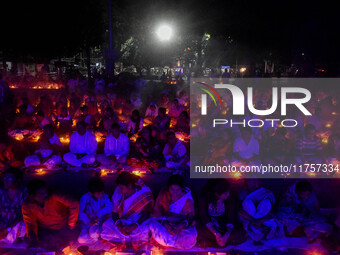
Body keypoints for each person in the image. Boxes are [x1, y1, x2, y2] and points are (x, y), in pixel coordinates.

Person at [21, 179, 80, 250]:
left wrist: (71, 223)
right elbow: (30, 224)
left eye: (45, 192)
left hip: (62, 227)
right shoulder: (27, 204)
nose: (45, 194)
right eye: (41, 193)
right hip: (44, 229)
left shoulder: (54, 195)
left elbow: (74, 203)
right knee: (29, 238)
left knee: (71, 236)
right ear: (32, 196)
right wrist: (33, 239)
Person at [101, 172, 154, 249]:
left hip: (137, 221)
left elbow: (146, 214)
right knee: (105, 228)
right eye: (119, 187)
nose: (119, 189)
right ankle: (129, 238)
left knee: (147, 230)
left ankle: (124, 238)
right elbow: (114, 213)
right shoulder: (118, 191)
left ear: (129, 185)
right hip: (122, 220)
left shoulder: (143, 193)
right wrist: (120, 226)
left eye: (121, 188)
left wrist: (134, 225)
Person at [150, 174, 197, 249]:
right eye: (172, 189)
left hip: (182, 225)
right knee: (152, 225)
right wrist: (166, 224)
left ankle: (169, 242)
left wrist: (181, 226)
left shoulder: (186, 196)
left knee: (190, 237)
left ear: (181, 188)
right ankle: (173, 242)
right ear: (168, 188)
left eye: (177, 190)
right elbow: (157, 213)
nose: (174, 192)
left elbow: (191, 216)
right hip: (165, 223)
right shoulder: (164, 193)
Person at [197, 179, 246, 248]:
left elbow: (231, 217)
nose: (228, 194)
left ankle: (221, 241)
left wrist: (227, 235)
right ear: (217, 194)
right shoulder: (203, 198)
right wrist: (216, 233)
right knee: (200, 232)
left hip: (224, 224)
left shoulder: (230, 198)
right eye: (225, 193)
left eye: (228, 192)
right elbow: (204, 217)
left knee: (240, 234)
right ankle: (219, 241)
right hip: (211, 226)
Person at [78, 178, 113, 244]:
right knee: (81, 240)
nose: (101, 194)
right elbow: (80, 213)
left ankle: (97, 235)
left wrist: (99, 215)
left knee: (94, 235)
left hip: (99, 222)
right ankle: (95, 237)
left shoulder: (105, 196)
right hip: (87, 223)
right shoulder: (84, 198)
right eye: (98, 193)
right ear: (91, 193)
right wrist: (88, 221)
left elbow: (109, 207)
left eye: (102, 192)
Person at [0, 168, 26, 244]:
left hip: (17, 224)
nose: (5, 181)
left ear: (18, 180)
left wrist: (8, 229)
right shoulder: (1, 191)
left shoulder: (24, 193)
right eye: (4, 178)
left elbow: (23, 215)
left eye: (9, 179)